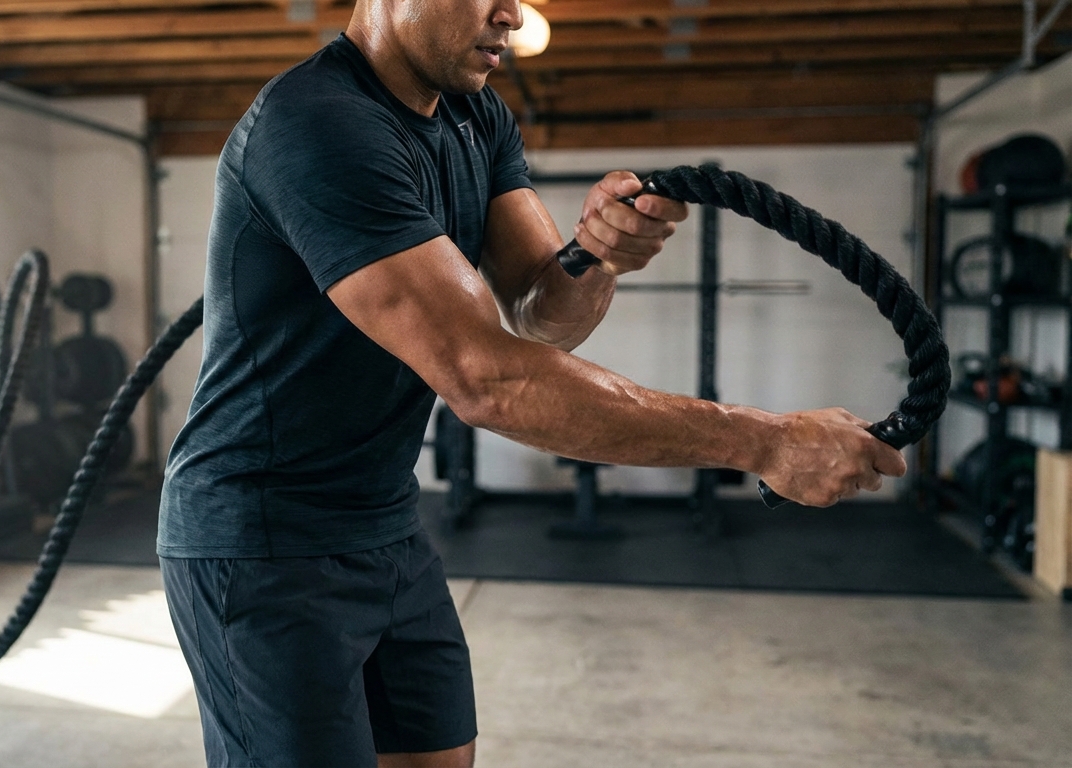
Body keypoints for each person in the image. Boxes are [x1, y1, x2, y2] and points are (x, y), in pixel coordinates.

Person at [157, 0, 908, 765]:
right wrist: (765, 439)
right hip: (259, 540)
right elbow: (486, 379)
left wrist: (597, 253)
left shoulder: (476, 118)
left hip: (382, 522)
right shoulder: (316, 122)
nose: (510, 13)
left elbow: (543, 311)